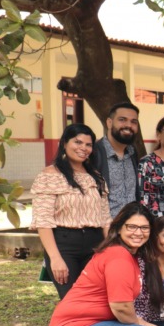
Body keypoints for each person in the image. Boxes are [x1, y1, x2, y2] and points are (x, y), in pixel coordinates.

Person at [32, 124, 112, 301]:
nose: (83, 148)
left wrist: (110, 250)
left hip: (95, 244)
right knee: (72, 300)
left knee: (95, 298)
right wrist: (55, 258)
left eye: (88, 144)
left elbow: (105, 219)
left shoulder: (96, 177)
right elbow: (43, 220)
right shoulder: (49, 175)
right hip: (65, 245)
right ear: (64, 143)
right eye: (78, 142)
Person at [93, 101, 140, 217]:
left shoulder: (133, 154)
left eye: (133, 122)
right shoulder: (94, 153)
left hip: (131, 229)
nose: (128, 125)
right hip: (103, 229)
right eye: (122, 120)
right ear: (109, 123)